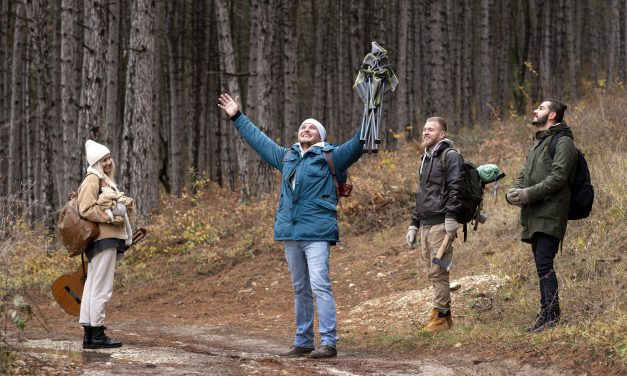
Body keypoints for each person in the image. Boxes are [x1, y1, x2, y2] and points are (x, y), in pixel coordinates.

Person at [217, 93, 363, 358]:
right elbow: (259, 142)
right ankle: (304, 340)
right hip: (290, 232)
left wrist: (371, 109)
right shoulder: (287, 157)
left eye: (312, 127)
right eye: (302, 127)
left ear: (320, 136)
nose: (305, 129)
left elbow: (358, 144)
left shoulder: (331, 156)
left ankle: (329, 341)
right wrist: (237, 116)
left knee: (319, 284)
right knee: (300, 288)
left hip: (317, 231)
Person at [506, 100, 577, 333]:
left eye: (541, 108)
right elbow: (524, 174)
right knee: (541, 265)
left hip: (551, 211)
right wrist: (515, 192)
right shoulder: (537, 144)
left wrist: (529, 194)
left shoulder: (563, 142)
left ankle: (550, 315)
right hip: (534, 212)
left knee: (545, 263)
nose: (535, 110)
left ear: (552, 115)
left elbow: (559, 177)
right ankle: (547, 312)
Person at [406, 117, 463, 332]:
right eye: (424, 129)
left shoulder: (451, 156)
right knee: (432, 271)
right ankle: (444, 316)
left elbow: (455, 188)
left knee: (439, 271)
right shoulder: (426, 158)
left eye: (431, 130)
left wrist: (451, 217)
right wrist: (414, 223)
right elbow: (422, 194)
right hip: (426, 224)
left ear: (443, 134)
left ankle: (439, 317)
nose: (425, 132)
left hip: (442, 223)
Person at [77, 139, 134, 349]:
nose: (108, 162)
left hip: (103, 239)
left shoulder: (102, 179)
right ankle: (97, 333)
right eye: (103, 160)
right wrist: (109, 218)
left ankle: (90, 335)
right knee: (101, 288)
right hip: (103, 238)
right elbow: (85, 208)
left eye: (109, 158)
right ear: (95, 162)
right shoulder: (93, 179)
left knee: (93, 286)